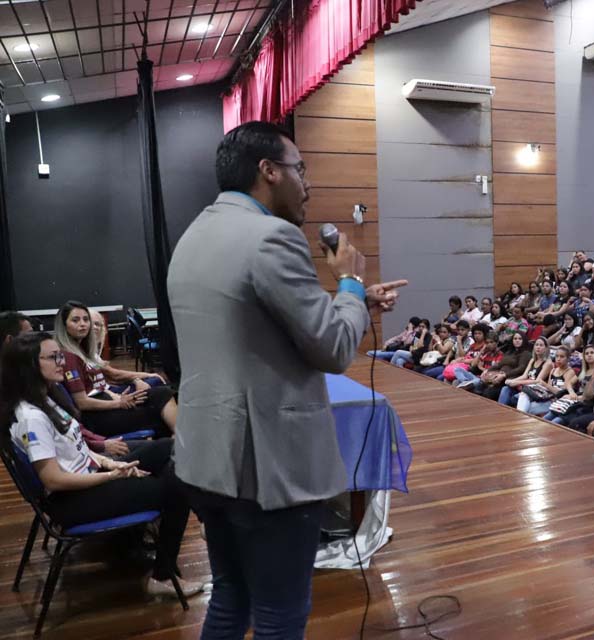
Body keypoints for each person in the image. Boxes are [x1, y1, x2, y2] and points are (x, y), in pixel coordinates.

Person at [166, 121, 406, 638]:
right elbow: (333, 348)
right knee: (280, 614)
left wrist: (356, 303)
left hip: (206, 458)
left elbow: (259, 324)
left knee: (231, 598)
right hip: (266, 467)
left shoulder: (196, 233)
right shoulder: (273, 238)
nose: (308, 183)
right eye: (300, 169)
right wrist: (348, 281)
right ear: (268, 171)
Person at [0, 332, 201, 597]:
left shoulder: (47, 398)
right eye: (53, 357)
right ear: (29, 366)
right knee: (176, 485)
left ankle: (133, 539)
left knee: (170, 449)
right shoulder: (31, 417)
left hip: (90, 477)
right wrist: (113, 476)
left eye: (60, 355)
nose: (61, 361)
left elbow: (77, 450)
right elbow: (53, 480)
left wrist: (108, 462)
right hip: (74, 501)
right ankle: (162, 576)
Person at [55, 301, 178, 438]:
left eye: (85, 319)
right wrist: (118, 403)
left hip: (107, 405)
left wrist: (117, 397)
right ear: (64, 325)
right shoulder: (69, 356)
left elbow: (98, 385)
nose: (83, 324)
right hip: (98, 419)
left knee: (160, 394)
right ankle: (181, 442)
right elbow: (82, 403)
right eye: (75, 320)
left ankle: (172, 443)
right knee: (162, 397)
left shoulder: (82, 351)